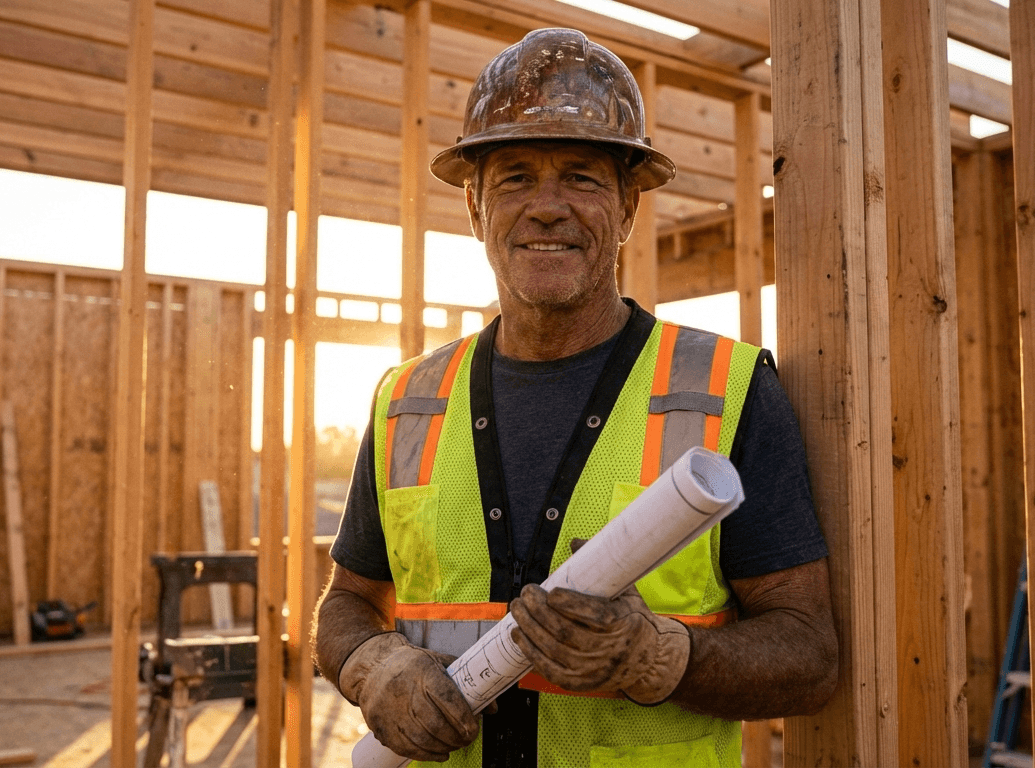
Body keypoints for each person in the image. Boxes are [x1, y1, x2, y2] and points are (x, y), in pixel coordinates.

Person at [312, 27, 838, 767]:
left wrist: (660, 656)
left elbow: (809, 655)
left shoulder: (730, 391)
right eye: (515, 178)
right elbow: (346, 604)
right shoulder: (407, 400)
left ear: (627, 207)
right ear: (475, 209)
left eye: (583, 178)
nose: (547, 208)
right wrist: (374, 666)